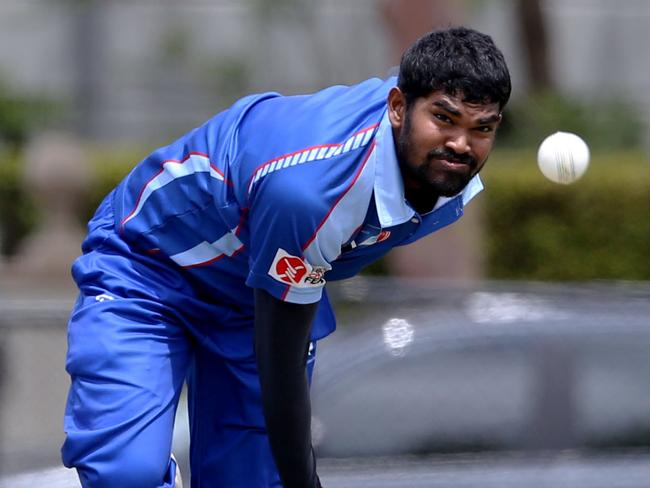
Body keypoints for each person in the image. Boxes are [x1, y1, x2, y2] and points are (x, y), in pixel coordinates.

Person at [61, 26, 511, 488]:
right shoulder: (311, 191)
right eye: (444, 119)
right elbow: (280, 361)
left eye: (482, 128)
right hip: (148, 269)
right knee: (126, 475)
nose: (461, 144)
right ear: (398, 108)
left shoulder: (445, 177)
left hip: (251, 295)